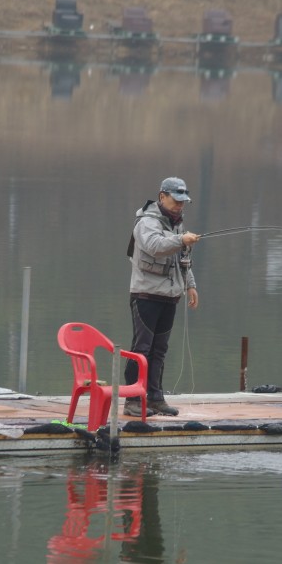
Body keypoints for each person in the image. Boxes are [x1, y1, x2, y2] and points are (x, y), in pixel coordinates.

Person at [124, 177, 200, 417]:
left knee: (159, 350)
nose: (180, 205)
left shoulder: (177, 224)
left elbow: (182, 259)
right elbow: (155, 246)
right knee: (142, 349)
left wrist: (190, 285)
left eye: (183, 201)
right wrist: (181, 239)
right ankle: (132, 400)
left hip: (170, 296)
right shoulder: (146, 222)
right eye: (176, 200)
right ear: (162, 196)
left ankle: (155, 398)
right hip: (146, 295)